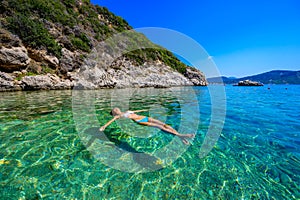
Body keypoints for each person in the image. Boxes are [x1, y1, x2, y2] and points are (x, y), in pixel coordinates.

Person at [100, 107, 195, 145]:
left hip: (144, 117)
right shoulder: (118, 116)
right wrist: (104, 127)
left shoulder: (125, 111)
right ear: (114, 113)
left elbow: (135, 112)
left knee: (164, 124)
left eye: (116, 108)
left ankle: (180, 137)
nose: (116, 109)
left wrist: (143, 109)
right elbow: (110, 121)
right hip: (140, 120)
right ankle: (182, 136)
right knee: (161, 127)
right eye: (114, 110)